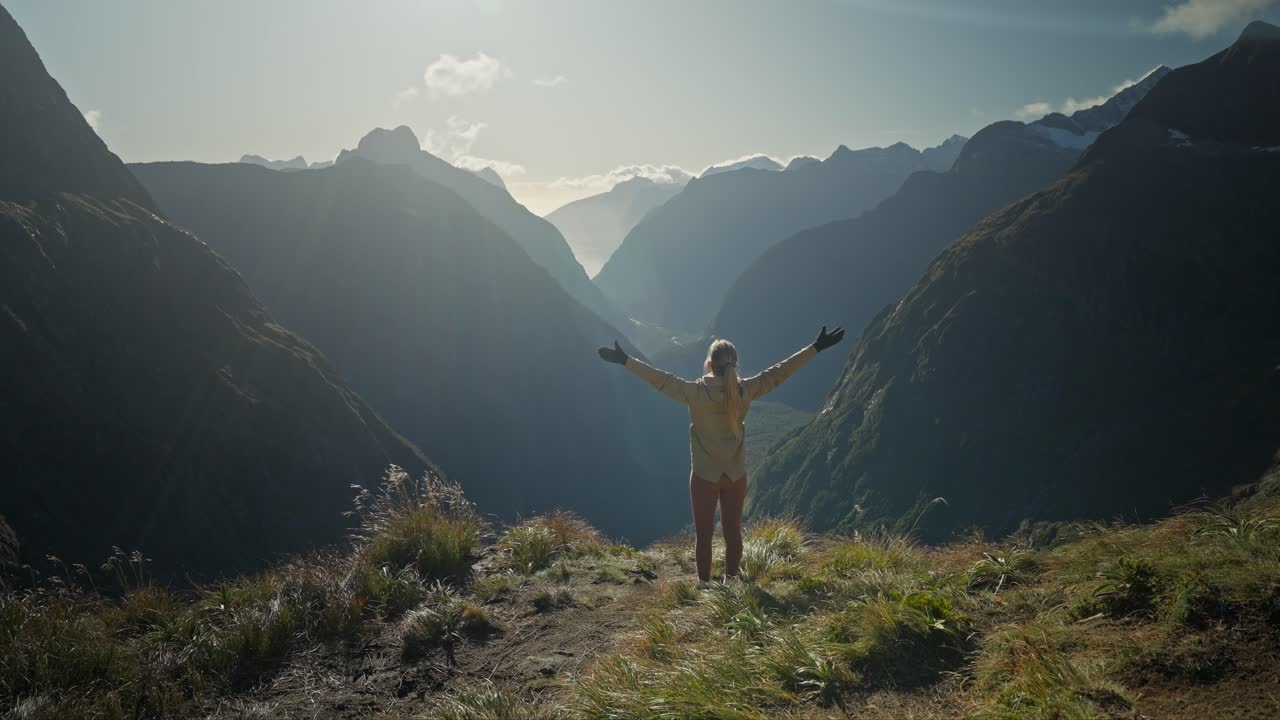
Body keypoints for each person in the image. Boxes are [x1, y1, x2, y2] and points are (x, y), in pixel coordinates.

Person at [597, 326, 845, 587]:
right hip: (736, 474)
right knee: (733, 531)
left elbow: (660, 379)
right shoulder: (744, 391)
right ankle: (731, 582)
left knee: (704, 535)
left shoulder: (694, 393)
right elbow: (779, 373)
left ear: (708, 364)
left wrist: (625, 360)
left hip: (705, 475)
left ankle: (704, 585)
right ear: (735, 365)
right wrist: (815, 347)